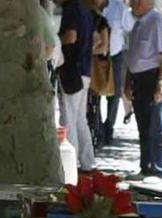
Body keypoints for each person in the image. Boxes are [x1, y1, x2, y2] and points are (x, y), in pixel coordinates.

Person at [125, 0, 162, 180]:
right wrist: (128, 83)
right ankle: (145, 166)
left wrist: (160, 83)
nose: (132, 4)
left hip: (152, 77)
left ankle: (158, 169)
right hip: (138, 79)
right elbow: (132, 56)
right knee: (143, 126)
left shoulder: (155, 20)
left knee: (155, 126)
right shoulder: (138, 22)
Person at [56, 0, 96, 172]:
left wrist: (56, 40)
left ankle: (70, 164)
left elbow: (70, 37)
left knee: (69, 119)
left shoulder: (71, 9)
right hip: (84, 70)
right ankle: (88, 162)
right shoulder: (85, 10)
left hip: (72, 70)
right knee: (80, 119)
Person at [102, 0, 134, 145]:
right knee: (93, 93)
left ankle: (109, 127)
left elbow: (130, 27)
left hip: (114, 55)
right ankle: (96, 126)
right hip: (96, 55)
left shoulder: (119, 7)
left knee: (114, 94)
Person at [86, 0, 110, 149]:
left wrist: (84, 52)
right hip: (88, 67)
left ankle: (95, 137)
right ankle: (94, 138)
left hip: (93, 68)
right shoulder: (96, 19)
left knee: (93, 105)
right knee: (92, 105)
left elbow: (104, 48)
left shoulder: (100, 21)